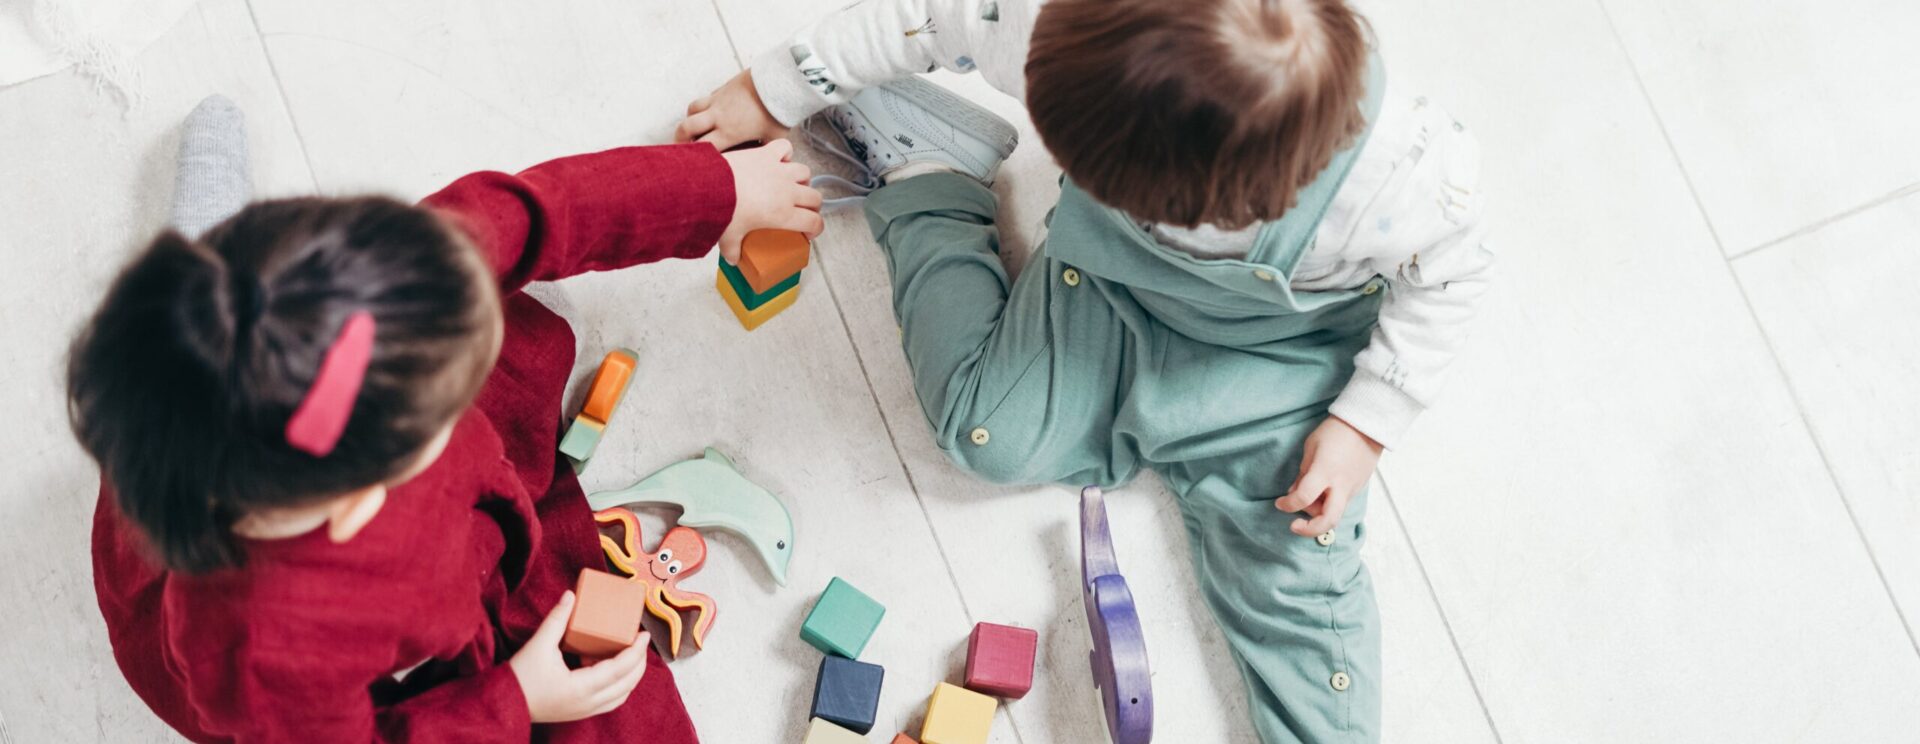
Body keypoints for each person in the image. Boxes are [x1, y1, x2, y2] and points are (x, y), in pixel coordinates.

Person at [678, 0, 1492, 740]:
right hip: (1108, 289)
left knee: (1296, 572)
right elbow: (922, 14)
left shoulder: (1401, 174)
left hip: (1279, 365)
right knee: (983, 432)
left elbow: (1452, 277)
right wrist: (772, 89)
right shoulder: (1055, 21)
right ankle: (932, 171)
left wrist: (1365, 424)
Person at [72, 95, 822, 743]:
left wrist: (720, 189)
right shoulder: (267, 649)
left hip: (261, 435)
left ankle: (202, 253)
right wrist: (514, 700)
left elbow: (539, 211)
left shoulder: (383, 288)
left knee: (514, 333)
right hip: (362, 653)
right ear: (360, 501)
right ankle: (199, 249)